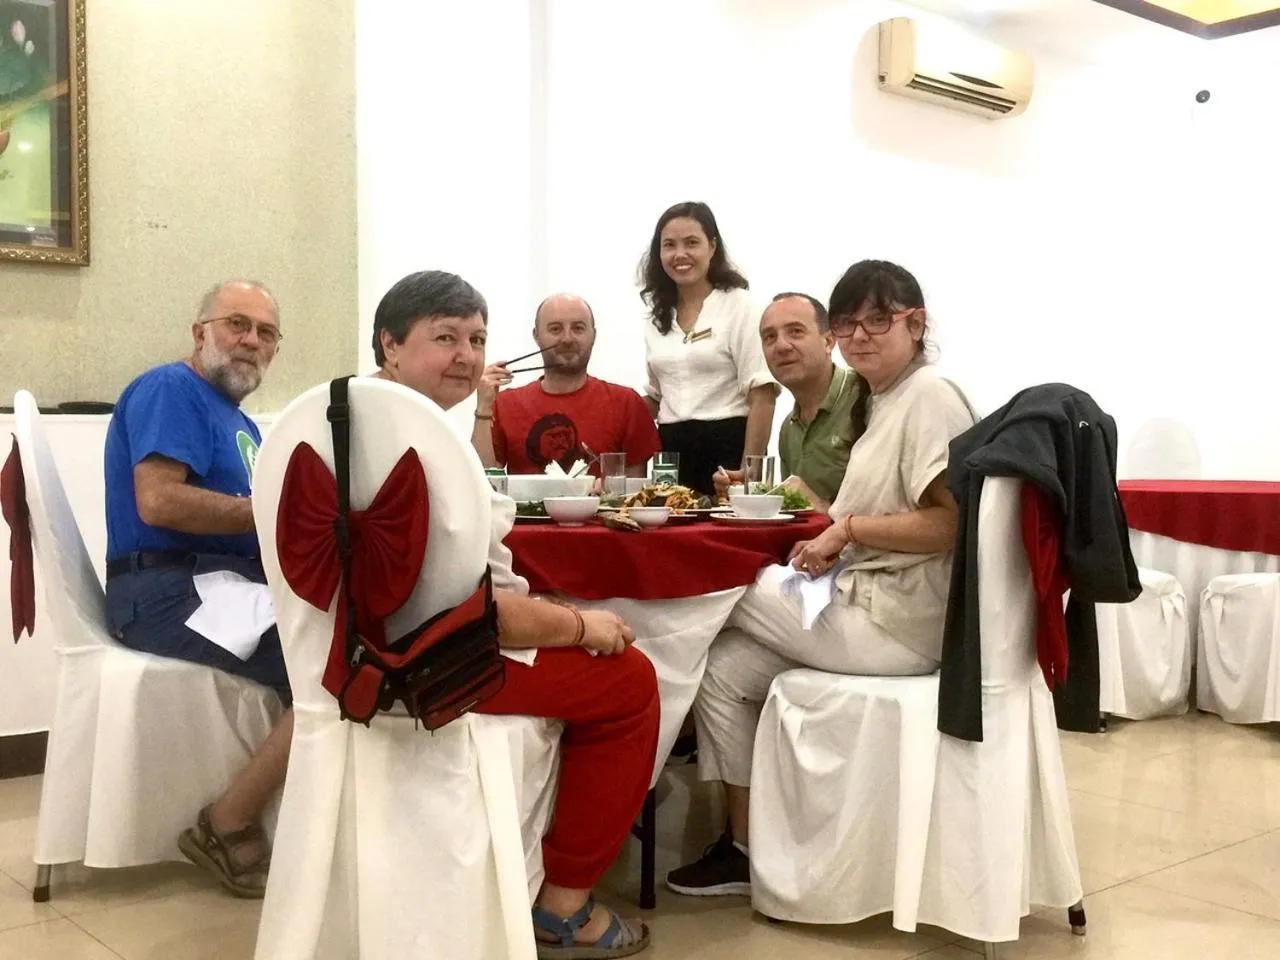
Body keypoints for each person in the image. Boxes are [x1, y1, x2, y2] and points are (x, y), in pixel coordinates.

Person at [666, 260, 977, 897]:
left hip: (900, 621)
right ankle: (747, 849)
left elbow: (948, 525)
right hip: (863, 601)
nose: (861, 334)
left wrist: (848, 530)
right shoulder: (883, 401)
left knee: (716, 587)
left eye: (878, 320)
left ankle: (640, 743)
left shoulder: (930, 397)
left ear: (916, 325)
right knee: (722, 667)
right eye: (849, 322)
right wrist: (834, 533)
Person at [372, 270, 657, 958]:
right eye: (445, 338)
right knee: (632, 681)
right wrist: (580, 627)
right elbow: (473, 613)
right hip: (423, 667)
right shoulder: (420, 448)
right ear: (389, 346)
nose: (467, 355)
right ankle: (563, 905)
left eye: (475, 338)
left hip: (364, 654)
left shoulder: (355, 421)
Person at [102, 280, 293, 898]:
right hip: (167, 589)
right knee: (333, 660)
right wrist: (277, 513)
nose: (251, 342)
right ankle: (226, 820)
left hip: (216, 585)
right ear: (200, 331)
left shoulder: (237, 421)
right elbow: (158, 501)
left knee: (350, 635)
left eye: (266, 333)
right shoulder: (172, 388)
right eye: (238, 324)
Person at [638, 201, 777, 494]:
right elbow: (656, 395)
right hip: (671, 453)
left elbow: (761, 395)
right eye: (669, 245)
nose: (680, 254)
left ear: (712, 247)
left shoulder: (741, 306)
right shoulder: (657, 317)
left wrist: (749, 476)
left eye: (691, 243)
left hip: (726, 447)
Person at [471, 293, 660, 476]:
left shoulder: (626, 403)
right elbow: (481, 482)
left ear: (593, 335)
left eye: (578, 328)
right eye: (555, 329)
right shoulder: (505, 404)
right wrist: (483, 407)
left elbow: (634, 495)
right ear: (537, 336)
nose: (567, 339)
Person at [712, 292, 861, 513]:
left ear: (828, 341)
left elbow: (893, 508)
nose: (782, 346)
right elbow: (799, 508)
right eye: (769, 337)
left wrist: (822, 508)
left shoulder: (865, 399)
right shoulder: (788, 429)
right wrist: (751, 493)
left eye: (796, 332)